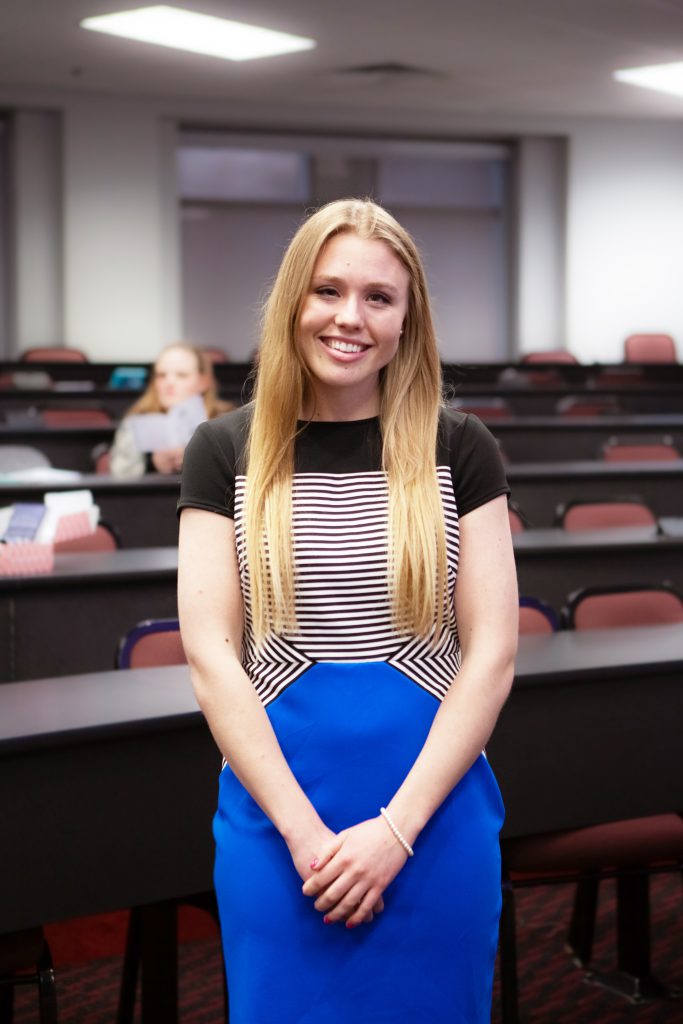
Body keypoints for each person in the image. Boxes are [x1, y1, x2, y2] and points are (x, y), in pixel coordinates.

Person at [177, 199, 518, 1023]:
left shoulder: (459, 446)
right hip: (280, 824)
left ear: (407, 320)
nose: (348, 318)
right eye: (327, 291)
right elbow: (211, 657)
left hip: (430, 818)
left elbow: (492, 655)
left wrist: (393, 834)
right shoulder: (223, 449)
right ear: (293, 301)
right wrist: (305, 838)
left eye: (378, 297)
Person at [109, 342, 230, 478]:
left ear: (203, 381)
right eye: (161, 375)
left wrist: (197, 460)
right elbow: (120, 478)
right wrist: (150, 463)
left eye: (182, 375)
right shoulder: (134, 423)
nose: (169, 382)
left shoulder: (226, 422)